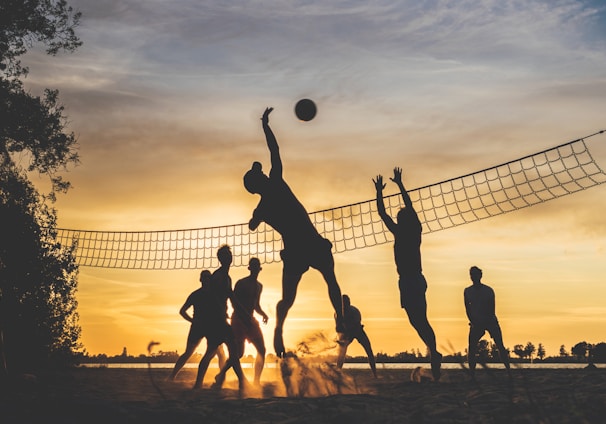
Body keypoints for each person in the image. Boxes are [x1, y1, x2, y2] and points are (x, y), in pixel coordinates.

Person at [243, 107, 344, 357]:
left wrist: (256, 216)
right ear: (260, 181)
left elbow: (252, 226)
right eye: (259, 173)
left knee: (289, 299)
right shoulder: (275, 181)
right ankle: (340, 319)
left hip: (294, 251)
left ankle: (279, 329)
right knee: (330, 279)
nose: (264, 171)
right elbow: (274, 150)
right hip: (309, 243)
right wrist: (265, 125)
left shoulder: (262, 206)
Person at [373, 167, 442, 381]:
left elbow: (386, 213)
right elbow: (391, 213)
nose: (397, 217)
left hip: (411, 279)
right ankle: (433, 350)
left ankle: (434, 352)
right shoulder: (410, 231)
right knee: (418, 320)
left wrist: (382, 191)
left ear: (403, 220)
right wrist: (396, 185)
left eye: (399, 216)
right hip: (411, 280)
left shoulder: (407, 232)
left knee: (419, 319)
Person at [214, 257, 269, 387]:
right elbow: (234, 302)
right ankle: (221, 374)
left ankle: (256, 381)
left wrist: (263, 314)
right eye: (253, 265)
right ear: (249, 268)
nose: (255, 267)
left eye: (257, 265)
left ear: (259, 268)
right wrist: (242, 315)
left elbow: (256, 305)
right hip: (238, 319)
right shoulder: (241, 283)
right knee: (238, 353)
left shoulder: (259, 286)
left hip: (250, 319)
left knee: (262, 350)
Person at [169, 269, 226, 381]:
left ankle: (222, 377)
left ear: (211, 279)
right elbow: (182, 311)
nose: (206, 279)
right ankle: (172, 376)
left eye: (208, 277)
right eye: (204, 277)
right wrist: (192, 321)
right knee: (188, 353)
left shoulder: (216, 294)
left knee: (220, 352)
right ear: (200, 279)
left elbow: (221, 308)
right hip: (198, 327)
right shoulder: (195, 295)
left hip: (212, 326)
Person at [464, 266, 511, 378]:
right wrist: (473, 321)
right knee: (472, 347)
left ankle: (508, 370)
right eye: (471, 275)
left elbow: (491, 309)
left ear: (480, 276)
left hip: (490, 321)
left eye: (475, 274)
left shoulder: (488, 291)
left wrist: (486, 322)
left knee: (500, 345)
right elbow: (467, 309)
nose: (473, 277)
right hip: (475, 322)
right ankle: (472, 373)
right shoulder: (467, 291)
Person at [336, 294, 377, 378]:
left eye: (348, 302)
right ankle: (337, 373)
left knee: (368, 349)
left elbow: (356, 325)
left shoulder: (354, 311)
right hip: (346, 333)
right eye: (344, 303)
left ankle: (375, 374)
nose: (346, 305)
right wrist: (341, 339)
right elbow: (338, 328)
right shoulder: (337, 314)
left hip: (358, 330)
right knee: (341, 353)